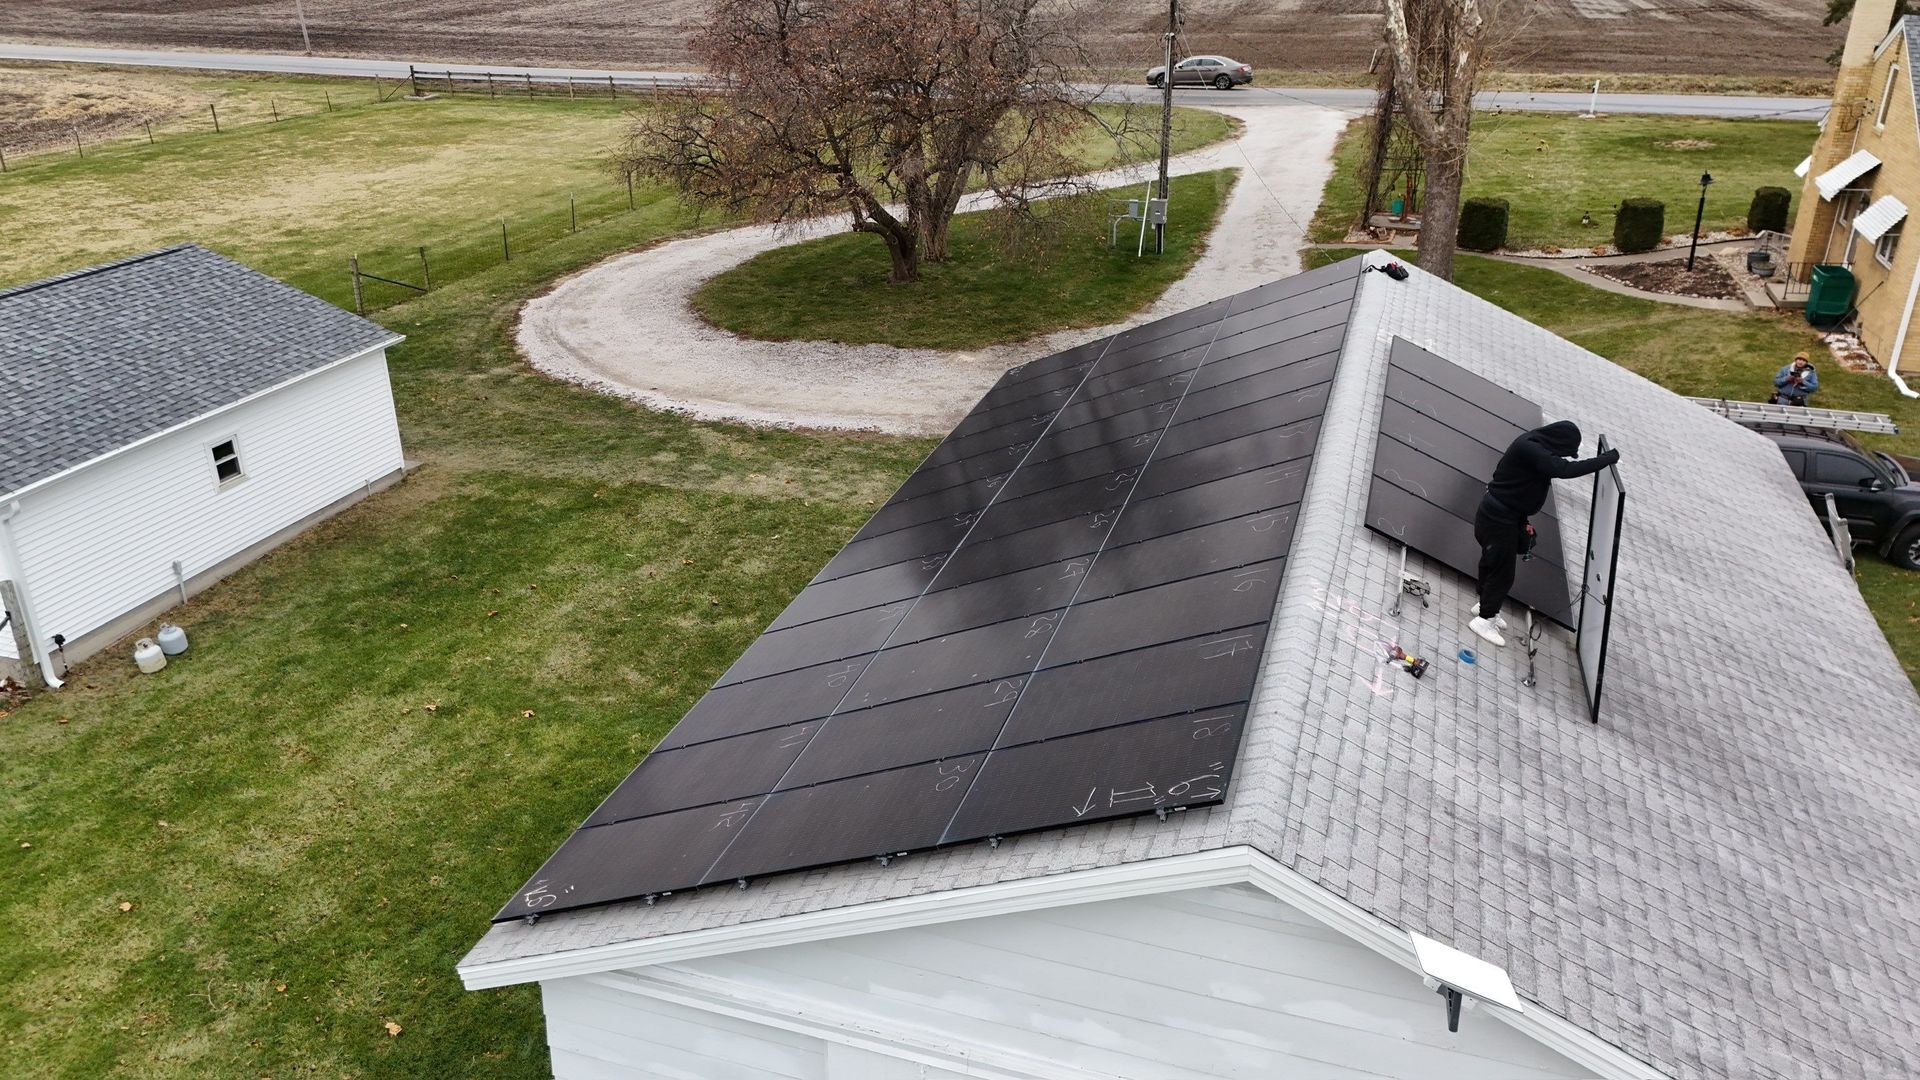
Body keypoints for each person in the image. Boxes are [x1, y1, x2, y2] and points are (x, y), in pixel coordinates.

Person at [1470, 421, 1620, 647]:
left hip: (1506, 514)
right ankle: (1484, 620)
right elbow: (1564, 470)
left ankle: (1485, 605)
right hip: (1499, 517)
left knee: (1493, 562)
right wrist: (1606, 460)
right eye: (1564, 451)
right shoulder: (1531, 449)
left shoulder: (1533, 444)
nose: (1562, 456)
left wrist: (1523, 520)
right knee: (1502, 571)